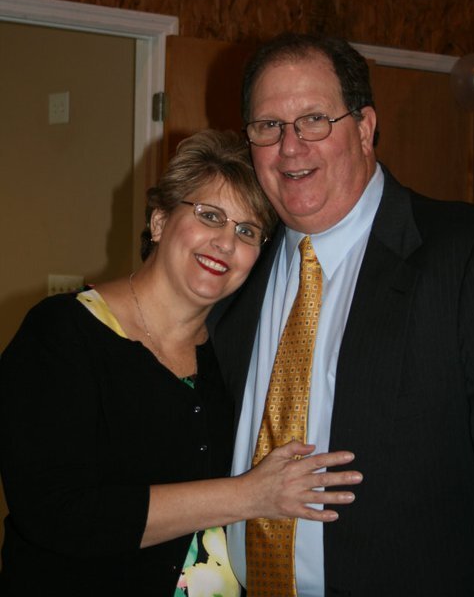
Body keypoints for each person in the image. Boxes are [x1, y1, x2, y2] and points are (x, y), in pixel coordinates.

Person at [0, 129, 362, 597]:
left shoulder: (236, 350)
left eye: (247, 231)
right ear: (159, 221)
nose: (225, 243)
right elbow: (56, 512)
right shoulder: (62, 333)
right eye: (210, 215)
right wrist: (250, 495)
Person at [209, 35, 474, 596]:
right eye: (268, 126)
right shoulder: (231, 271)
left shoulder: (462, 254)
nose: (290, 147)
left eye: (314, 120)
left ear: (363, 128)